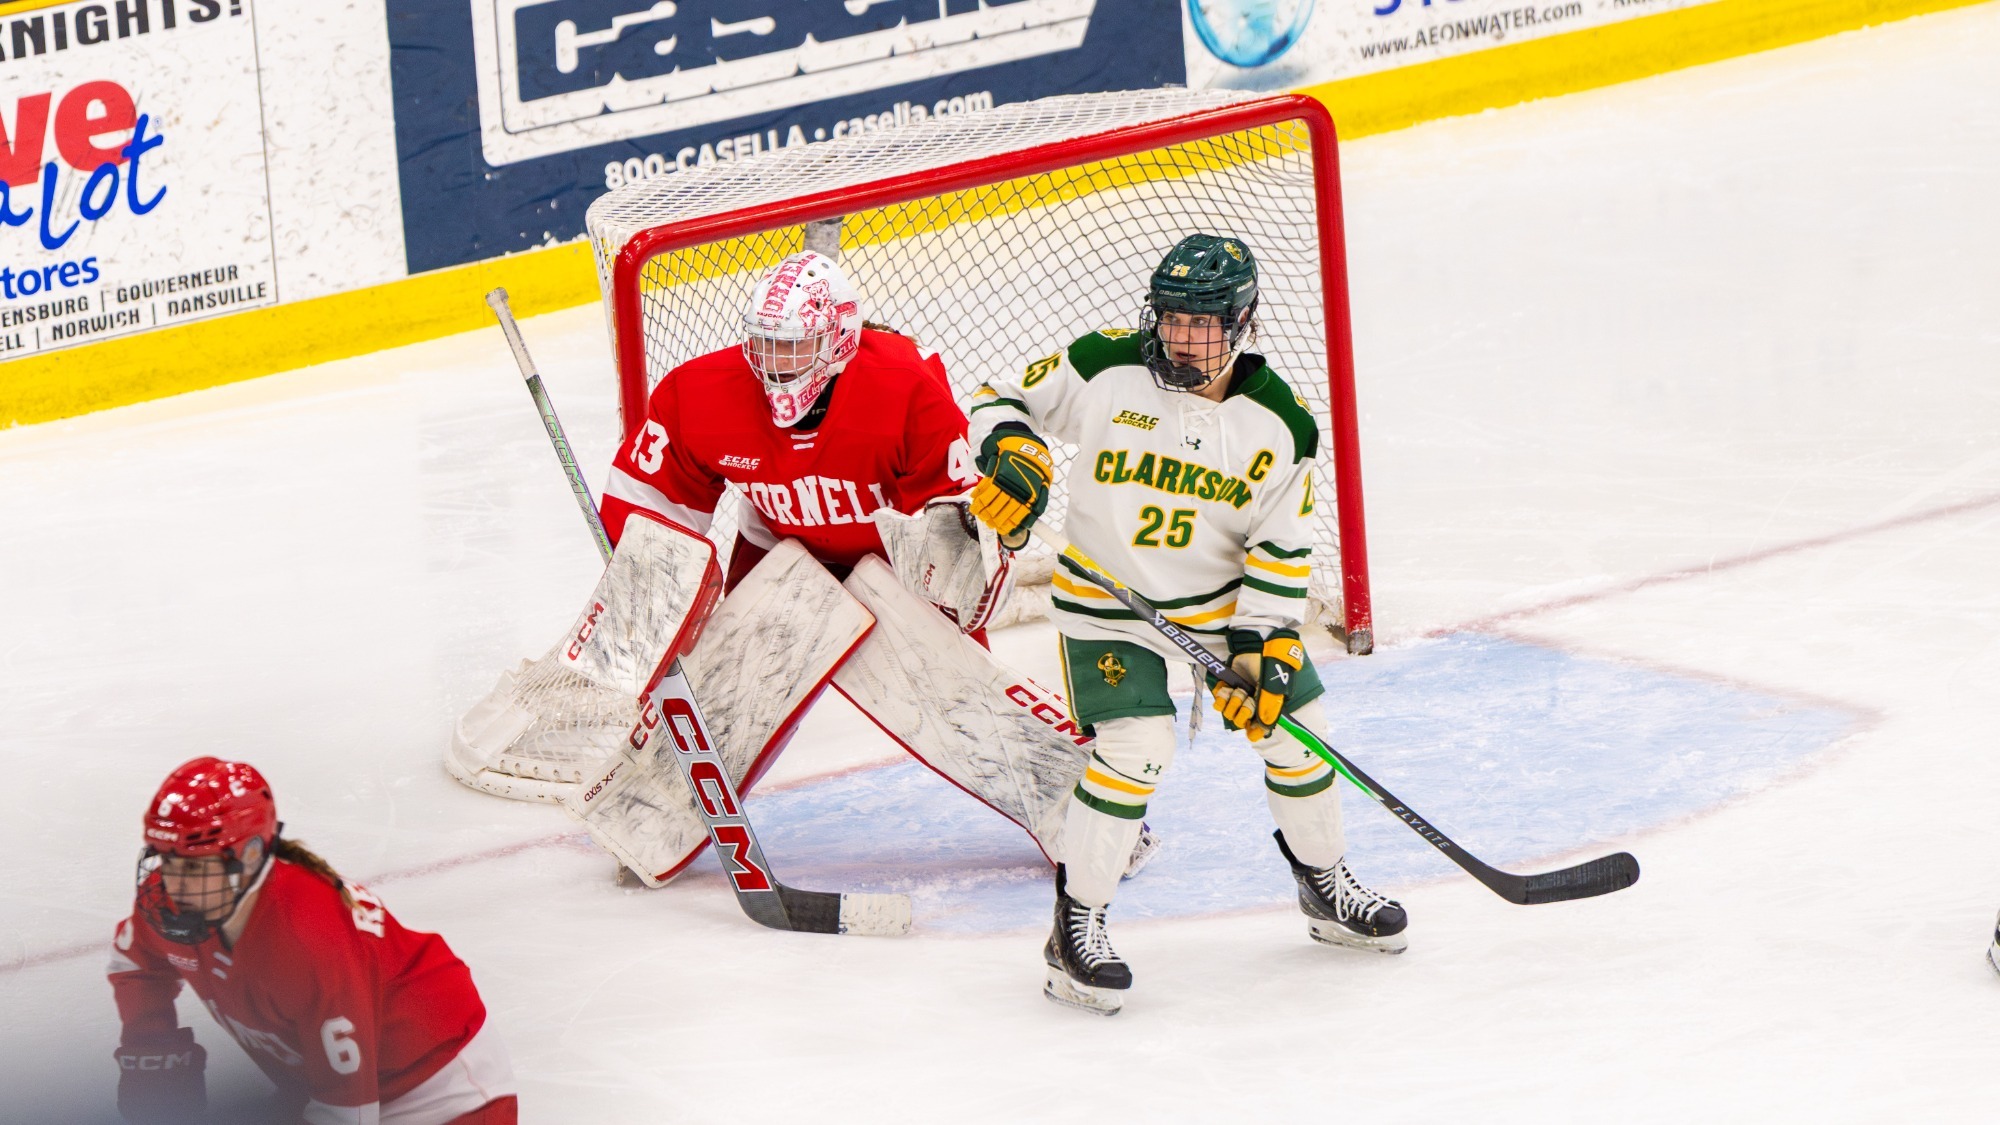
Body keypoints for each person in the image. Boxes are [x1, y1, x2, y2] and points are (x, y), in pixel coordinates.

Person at [968, 233, 1409, 1015]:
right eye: (1171, 318)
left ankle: (1324, 884)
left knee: (1299, 727)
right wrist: (1011, 450)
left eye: (1202, 323)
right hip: (1109, 606)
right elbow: (999, 399)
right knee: (1137, 747)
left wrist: (1264, 649)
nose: (1181, 337)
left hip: (1220, 615)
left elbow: (1279, 552)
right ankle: (1075, 927)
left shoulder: (1281, 424)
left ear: (1243, 323)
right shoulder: (1106, 365)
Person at [108, 758, 515, 1124]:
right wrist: (152, 1047)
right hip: (326, 1088)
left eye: (195, 868)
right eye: (167, 860)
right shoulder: (178, 900)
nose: (174, 885)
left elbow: (349, 1113)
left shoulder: (309, 941)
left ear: (250, 856)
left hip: (442, 1099)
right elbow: (135, 962)